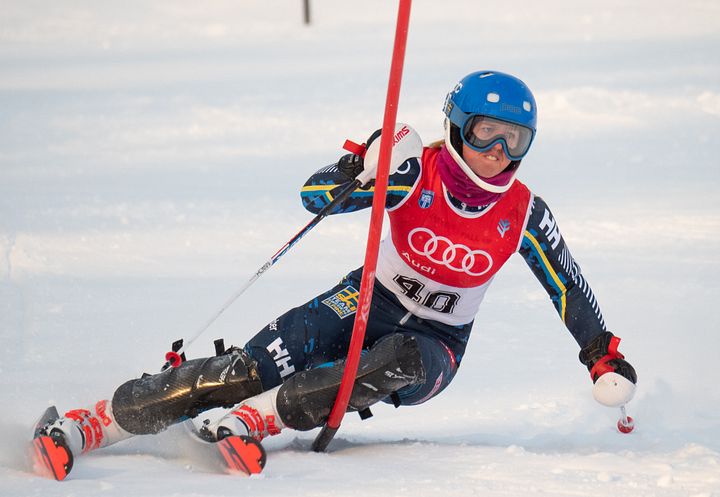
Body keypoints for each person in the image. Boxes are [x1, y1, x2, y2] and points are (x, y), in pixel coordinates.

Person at [34, 70, 637, 471]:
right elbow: (314, 196)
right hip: (366, 297)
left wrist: (600, 352)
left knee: (390, 362)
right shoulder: (415, 172)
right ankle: (96, 423)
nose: (499, 155)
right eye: (487, 134)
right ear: (457, 126)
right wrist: (365, 164)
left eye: (516, 141)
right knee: (250, 368)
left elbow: (567, 286)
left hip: (438, 342)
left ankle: (254, 423)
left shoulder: (522, 210)